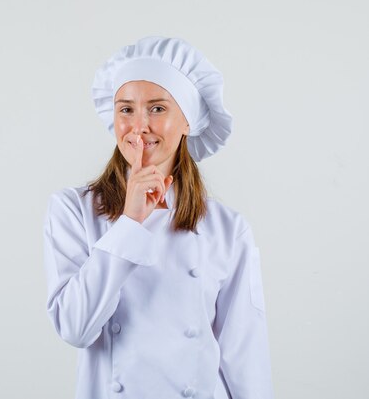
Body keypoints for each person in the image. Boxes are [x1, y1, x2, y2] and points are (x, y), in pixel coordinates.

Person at [42, 36, 274, 399]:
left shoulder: (228, 228)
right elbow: (75, 328)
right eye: (126, 109)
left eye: (157, 108)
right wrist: (130, 223)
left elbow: (245, 356)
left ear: (188, 122)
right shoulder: (73, 210)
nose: (139, 126)